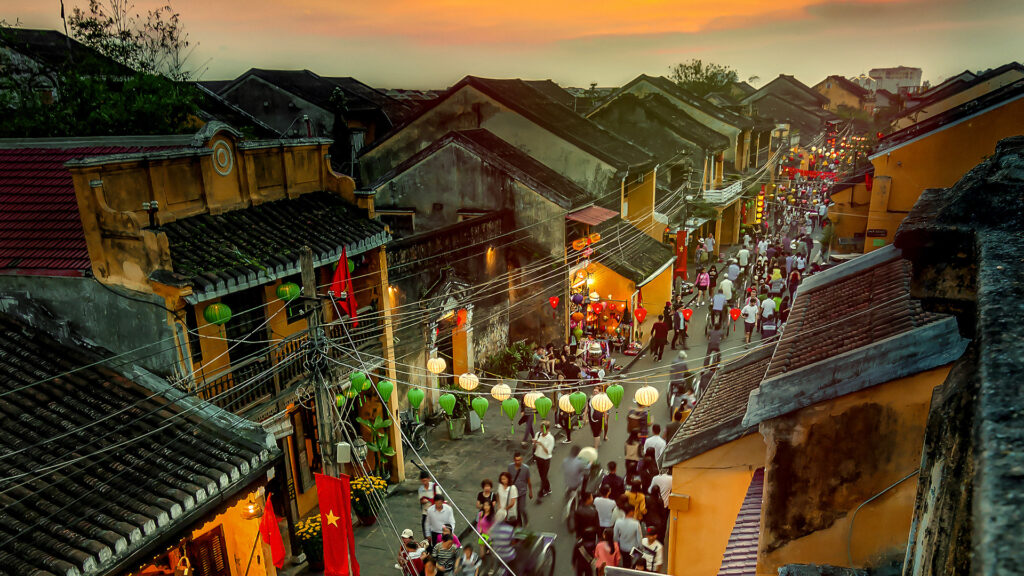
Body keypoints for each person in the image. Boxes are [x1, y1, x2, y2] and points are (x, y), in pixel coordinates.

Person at [613, 504, 644, 569]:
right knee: (634, 563)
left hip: (623, 547)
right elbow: (639, 538)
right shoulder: (636, 523)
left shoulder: (618, 522)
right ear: (631, 512)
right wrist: (641, 547)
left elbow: (615, 536)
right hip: (633, 548)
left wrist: (619, 541)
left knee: (625, 562)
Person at [506, 453, 532, 525]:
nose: (518, 462)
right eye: (516, 460)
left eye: (519, 460)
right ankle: (519, 523)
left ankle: (525, 518)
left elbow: (528, 480)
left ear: (522, 459)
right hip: (513, 492)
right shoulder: (510, 467)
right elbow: (508, 478)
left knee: (522, 508)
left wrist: (530, 491)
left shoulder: (526, 468)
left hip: (522, 491)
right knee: (516, 509)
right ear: (514, 460)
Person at [532, 420, 554, 498]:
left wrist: (541, 444)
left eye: (543, 429)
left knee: (544, 476)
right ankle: (548, 488)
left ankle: (541, 492)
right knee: (542, 476)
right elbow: (534, 447)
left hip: (546, 459)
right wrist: (535, 444)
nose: (542, 431)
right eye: (541, 429)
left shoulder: (550, 438)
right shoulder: (538, 434)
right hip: (538, 458)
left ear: (547, 429)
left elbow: (548, 452)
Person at [419, 471, 438, 539]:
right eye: (423, 481)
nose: (424, 483)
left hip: (434, 511)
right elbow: (420, 500)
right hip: (425, 512)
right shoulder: (421, 489)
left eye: (425, 480)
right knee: (425, 531)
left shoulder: (434, 486)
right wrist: (423, 501)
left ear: (429, 479)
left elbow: (439, 498)